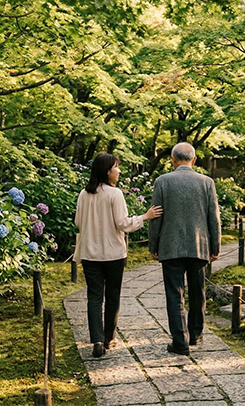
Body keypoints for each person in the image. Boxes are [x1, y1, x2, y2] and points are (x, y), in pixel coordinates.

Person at [75, 153, 162, 357]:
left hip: (89, 254)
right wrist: (145, 216)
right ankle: (109, 338)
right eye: (116, 167)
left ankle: (97, 340)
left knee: (94, 297)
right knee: (112, 296)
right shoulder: (115, 194)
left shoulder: (83, 194)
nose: (119, 171)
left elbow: (78, 222)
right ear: (108, 171)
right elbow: (123, 223)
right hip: (113, 253)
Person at [149, 142, 220, 356]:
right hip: (199, 246)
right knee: (198, 292)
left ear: (173, 159)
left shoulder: (162, 181)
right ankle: (196, 335)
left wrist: (154, 244)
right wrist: (215, 246)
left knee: (174, 294)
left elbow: (155, 216)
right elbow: (214, 218)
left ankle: (180, 341)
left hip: (170, 246)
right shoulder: (207, 182)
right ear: (194, 160)